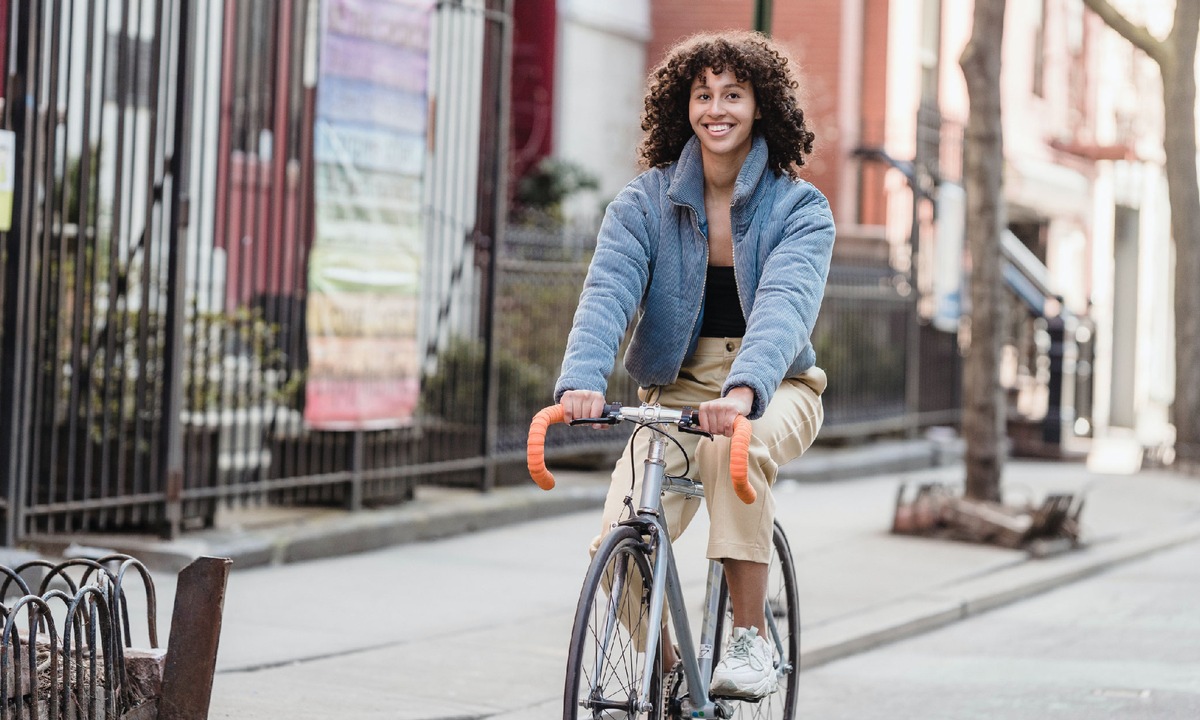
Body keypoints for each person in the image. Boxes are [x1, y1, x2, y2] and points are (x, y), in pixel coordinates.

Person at [555, 30, 834, 700]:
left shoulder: (800, 209)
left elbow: (784, 308)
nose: (717, 108)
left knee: (727, 447)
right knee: (615, 551)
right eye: (704, 94)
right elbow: (608, 291)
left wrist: (743, 393)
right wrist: (582, 381)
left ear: (760, 106)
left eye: (733, 94)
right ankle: (672, 676)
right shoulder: (644, 202)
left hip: (774, 386)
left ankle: (749, 639)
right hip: (676, 388)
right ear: (684, 106)